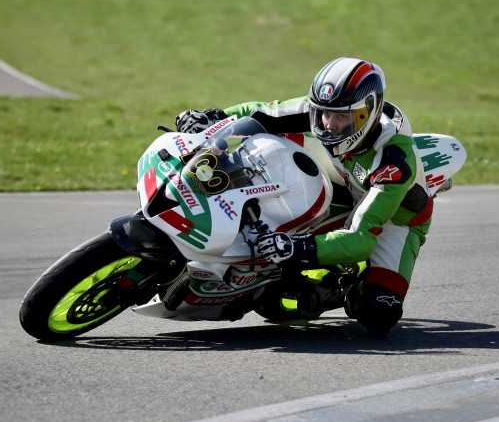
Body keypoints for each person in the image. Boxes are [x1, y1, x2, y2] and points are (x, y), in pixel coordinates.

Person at [175, 57, 433, 335]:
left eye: (342, 117)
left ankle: (339, 285)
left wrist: (297, 248)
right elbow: (259, 113)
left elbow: (362, 237)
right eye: (326, 114)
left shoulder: (393, 160)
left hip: (396, 219)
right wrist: (211, 119)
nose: (330, 125)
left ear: (366, 113)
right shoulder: (324, 111)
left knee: (378, 313)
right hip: (342, 178)